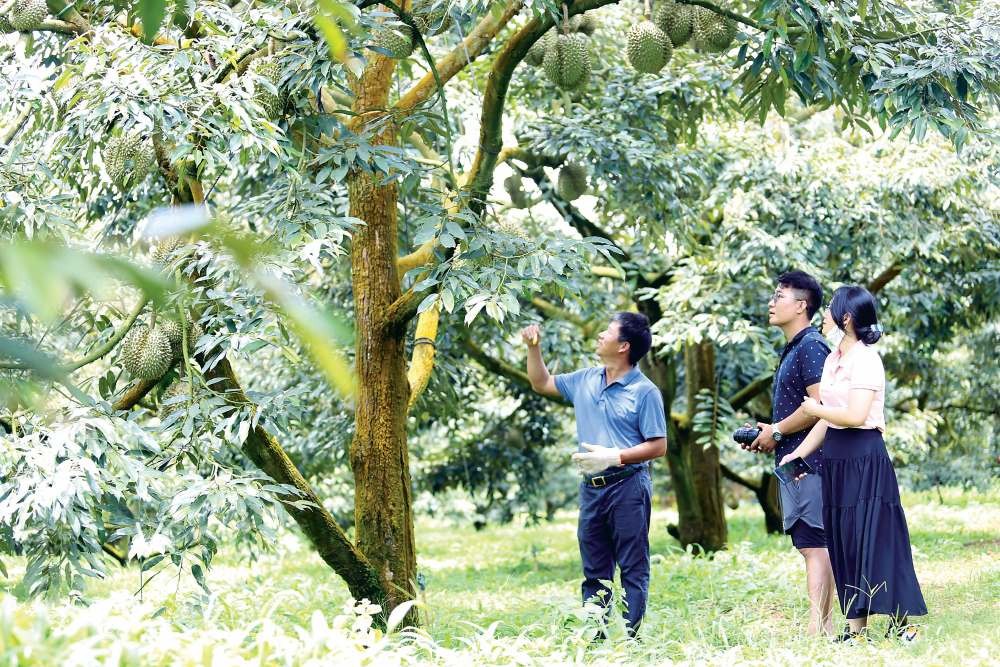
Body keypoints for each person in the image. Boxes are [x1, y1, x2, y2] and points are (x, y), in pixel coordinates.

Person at [781, 285, 927, 642]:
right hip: (836, 458)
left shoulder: (866, 359)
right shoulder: (833, 359)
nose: (824, 314)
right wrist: (798, 454)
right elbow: (828, 419)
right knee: (845, 539)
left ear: (845, 317)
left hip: (864, 455)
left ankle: (903, 624)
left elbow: (855, 415)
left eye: (831, 308)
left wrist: (815, 409)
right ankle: (855, 630)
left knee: (876, 537)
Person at [521, 312, 667, 637]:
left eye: (608, 331)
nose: (600, 335)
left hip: (628, 486)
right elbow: (542, 383)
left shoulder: (644, 391)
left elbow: (659, 446)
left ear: (624, 346)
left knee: (632, 567)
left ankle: (632, 640)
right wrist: (533, 348)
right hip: (591, 489)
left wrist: (615, 456)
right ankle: (595, 638)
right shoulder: (586, 379)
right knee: (594, 570)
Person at [746, 271, 835, 635]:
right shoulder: (796, 348)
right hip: (795, 462)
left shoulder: (811, 346)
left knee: (816, 544)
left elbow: (822, 404)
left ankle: (820, 629)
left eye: (779, 296)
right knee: (809, 544)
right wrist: (770, 433)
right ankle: (822, 627)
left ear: (801, 306)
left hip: (810, 462)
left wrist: (778, 430)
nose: (771, 303)